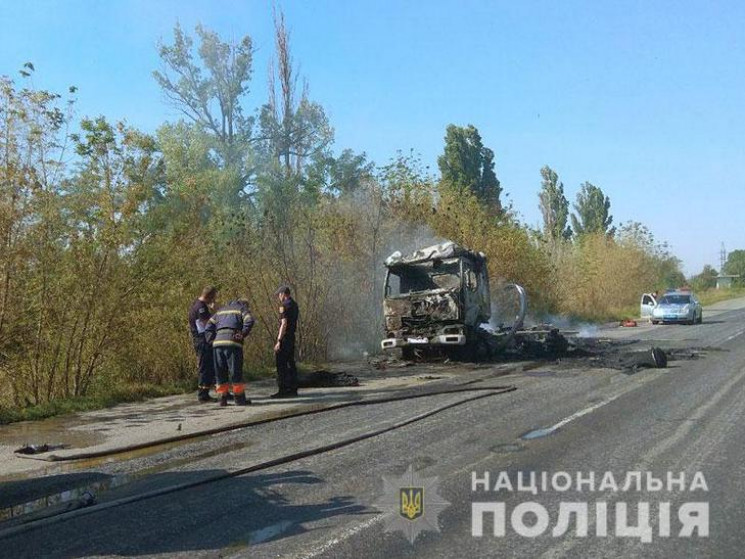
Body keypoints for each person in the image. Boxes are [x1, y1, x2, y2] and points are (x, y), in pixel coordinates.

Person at [205, 298, 255, 406]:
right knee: (235, 372)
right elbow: (250, 320)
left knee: (220, 373)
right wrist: (242, 333)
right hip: (233, 343)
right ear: (244, 304)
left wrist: (211, 339)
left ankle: (222, 399)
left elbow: (208, 325)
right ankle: (239, 399)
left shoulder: (221, 310)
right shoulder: (242, 309)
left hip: (217, 344)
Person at [188, 286, 218, 403]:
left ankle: (208, 392)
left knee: (208, 367)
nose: (214, 300)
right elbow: (207, 324)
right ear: (209, 296)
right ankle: (203, 395)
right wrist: (215, 313)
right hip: (203, 341)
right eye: (214, 297)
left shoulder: (196, 304)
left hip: (200, 340)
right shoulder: (201, 308)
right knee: (205, 368)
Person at [272, 285, 300, 399]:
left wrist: (279, 340)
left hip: (285, 338)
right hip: (291, 337)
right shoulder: (294, 304)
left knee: (281, 364)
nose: (279, 296)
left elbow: (284, 323)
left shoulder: (284, 306)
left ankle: (282, 389)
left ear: (284, 294)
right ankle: (293, 389)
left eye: (279, 294)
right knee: (291, 363)